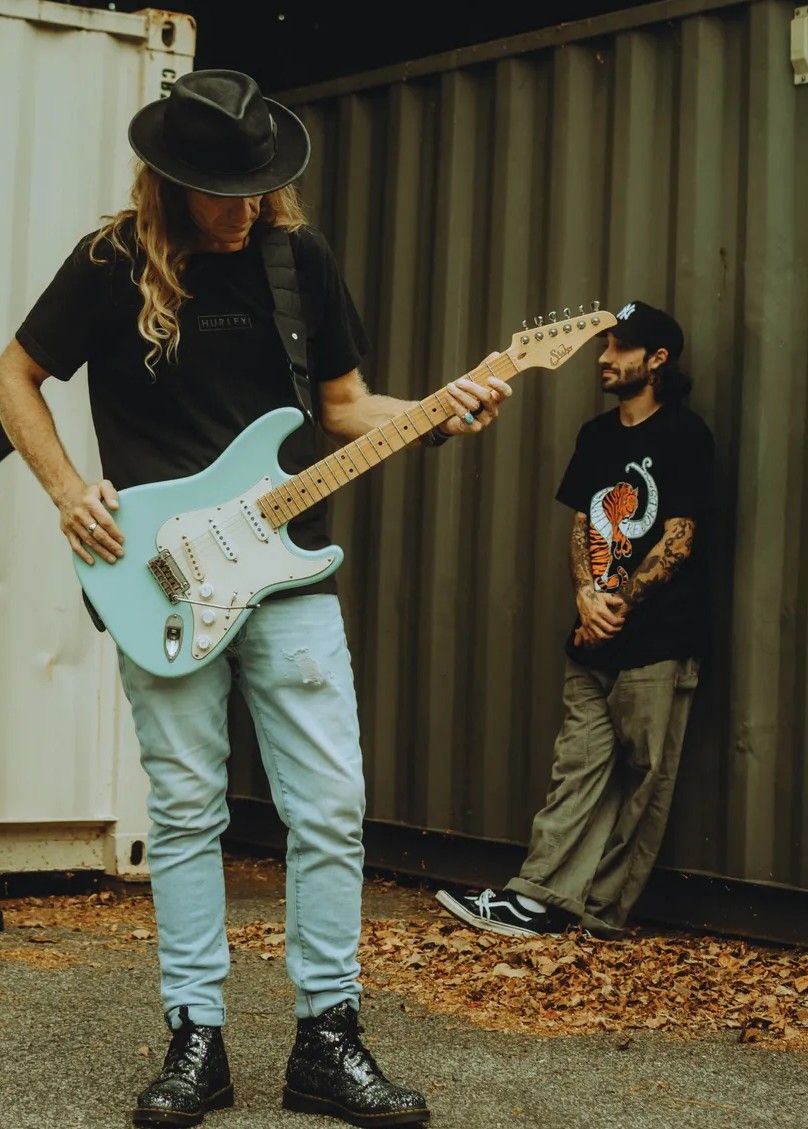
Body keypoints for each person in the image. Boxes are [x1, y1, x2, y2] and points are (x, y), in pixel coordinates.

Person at [0, 70, 512, 1128]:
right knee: (186, 811)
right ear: (170, 180)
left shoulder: (295, 259)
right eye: (222, 191)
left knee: (327, 804)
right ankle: (197, 1039)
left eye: (256, 187)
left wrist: (438, 410)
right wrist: (67, 491)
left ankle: (328, 1038)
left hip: (287, 571)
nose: (245, 207)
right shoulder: (109, 264)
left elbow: (340, 406)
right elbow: (15, 375)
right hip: (157, 576)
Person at [436, 300, 714, 941]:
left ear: (657, 359)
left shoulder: (686, 434)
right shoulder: (597, 436)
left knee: (644, 782)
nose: (604, 358)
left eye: (618, 347)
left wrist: (620, 605)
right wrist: (588, 596)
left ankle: (599, 913)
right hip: (591, 639)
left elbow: (679, 537)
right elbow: (584, 522)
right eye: (604, 345)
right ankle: (536, 898)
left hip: (659, 639)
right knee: (577, 768)